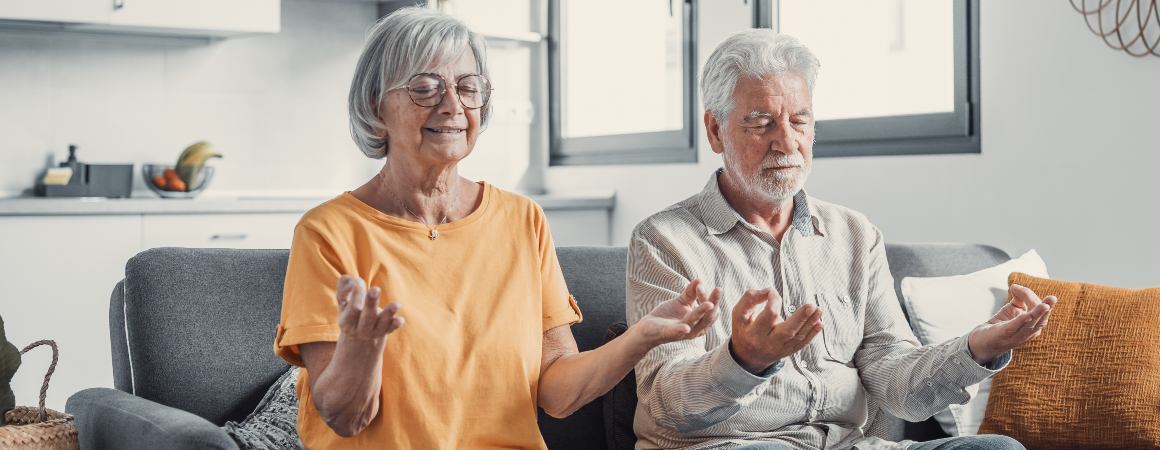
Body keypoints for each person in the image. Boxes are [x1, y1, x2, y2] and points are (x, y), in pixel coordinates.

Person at [274, 8, 718, 449]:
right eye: (425, 88)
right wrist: (361, 349)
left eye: (468, 88)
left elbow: (557, 394)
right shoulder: (327, 232)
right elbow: (345, 419)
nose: (452, 106)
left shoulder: (521, 220)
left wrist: (643, 336)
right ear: (376, 106)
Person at [626, 29, 1055, 450]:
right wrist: (742, 361)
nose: (787, 142)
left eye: (799, 120)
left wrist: (977, 349)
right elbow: (667, 403)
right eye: (760, 123)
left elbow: (899, 387)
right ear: (715, 131)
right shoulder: (664, 241)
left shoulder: (855, 234)